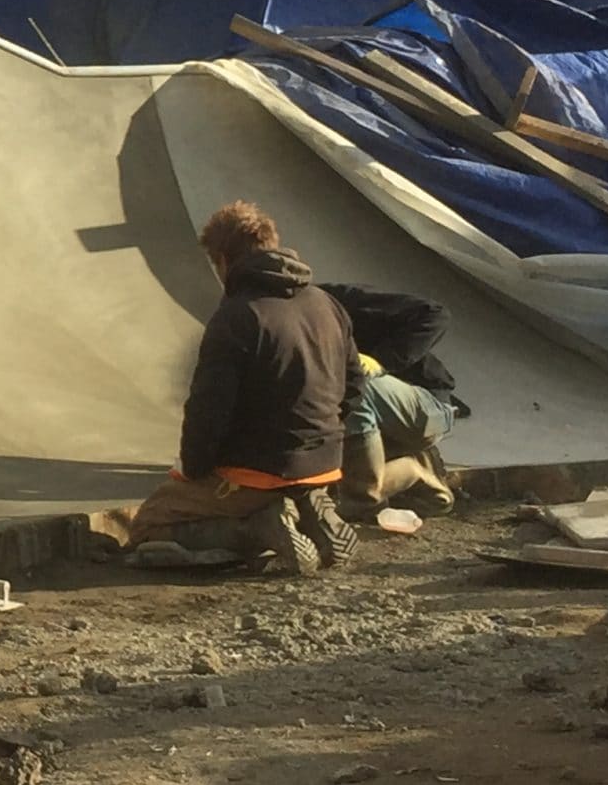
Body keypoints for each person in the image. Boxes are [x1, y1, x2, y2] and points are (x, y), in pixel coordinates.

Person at [124, 201, 362, 576]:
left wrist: (195, 469)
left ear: (222, 258)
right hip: (325, 463)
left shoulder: (237, 315)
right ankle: (306, 504)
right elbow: (355, 384)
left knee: (148, 525)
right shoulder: (327, 304)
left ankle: (257, 529)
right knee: (276, 484)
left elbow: (208, 409)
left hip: (256, 471)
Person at [321, 282, 466, 521]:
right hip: (376, 421)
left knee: (352, 382)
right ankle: (415, 472)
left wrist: (380, 361)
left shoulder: (332, 302)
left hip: (427, 405)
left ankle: (362, 503)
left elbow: (434, 314)